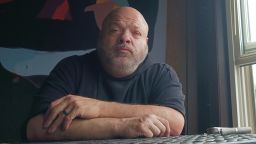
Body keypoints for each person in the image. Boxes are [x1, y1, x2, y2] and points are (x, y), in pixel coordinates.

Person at [26, 7, 185, 141]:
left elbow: (175, 122)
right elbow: (35, 128)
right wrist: (120, 126)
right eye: (115, 30)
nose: (125, 38)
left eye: (136, 33)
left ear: (146, 43)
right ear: (101, 37)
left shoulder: (162, 74)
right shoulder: (71, 68)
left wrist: (99, 108)